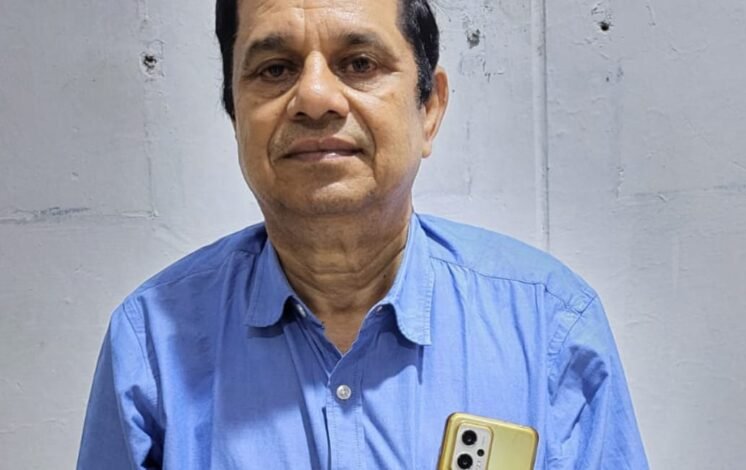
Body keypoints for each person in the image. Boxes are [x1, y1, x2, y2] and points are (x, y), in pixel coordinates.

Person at [78, 0, 649, 468]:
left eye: (359, 63)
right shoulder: (153, 342)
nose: (315, 99)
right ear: (235, 117)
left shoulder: (550, 326)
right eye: (275, 69)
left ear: (430, 108)